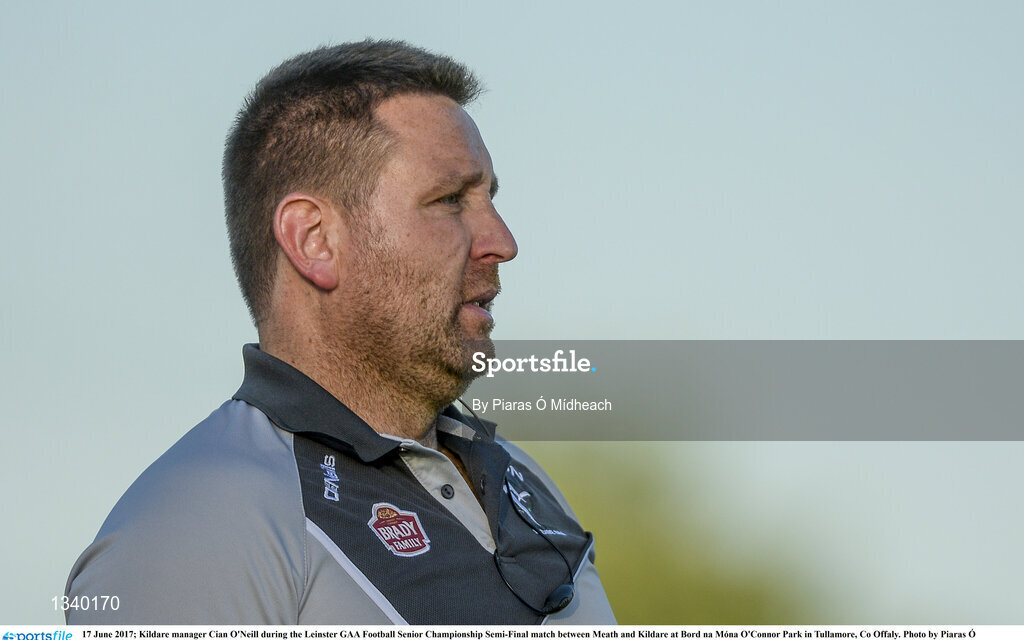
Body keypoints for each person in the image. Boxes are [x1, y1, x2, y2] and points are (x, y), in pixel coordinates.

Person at [64, 40, 616, 625]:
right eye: (450, 200)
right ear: (314, 240)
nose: (502, 242)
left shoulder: (524, 480)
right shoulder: (199, 524)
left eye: (488, 199)